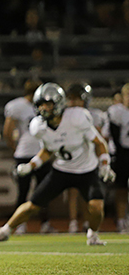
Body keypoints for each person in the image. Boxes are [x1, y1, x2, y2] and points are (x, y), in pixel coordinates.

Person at [0, 83, 114, 247]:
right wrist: (30, 165)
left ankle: (93, 235)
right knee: (32, 205)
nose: (43, 108)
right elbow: (48, 150)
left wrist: (104, 164)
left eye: (48, 104)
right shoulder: (39, 126)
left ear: (58, 103)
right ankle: (3, 232)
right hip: (62, 169)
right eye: (40, 105)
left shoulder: (77, 117)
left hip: (86, 169)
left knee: (96, 206)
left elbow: (100, 142)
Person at [4, 79, 55, 234]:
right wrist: (15, 147)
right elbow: (8, 131)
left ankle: (42, 223)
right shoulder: (17, 106)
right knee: (24, 191)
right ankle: (21, 224)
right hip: (26, 154)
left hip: (40, 153)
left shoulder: (42, 105)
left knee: (42, 191)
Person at [66, 83, 110, 234]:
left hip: (89, 157)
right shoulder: (66, 114)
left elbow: (99, 139)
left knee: (88, 194)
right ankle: (73, 222)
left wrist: (102, 160)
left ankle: (87, 222)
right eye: (71, 99)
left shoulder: (94, 115)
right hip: (71, 156)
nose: (73, 102)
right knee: (72, 192)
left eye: (77, 99)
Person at [107, 83, 129, 233]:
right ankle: (121, 220)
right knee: (121, 188)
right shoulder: (117, 112)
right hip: (123, 153)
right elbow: (114, 137)